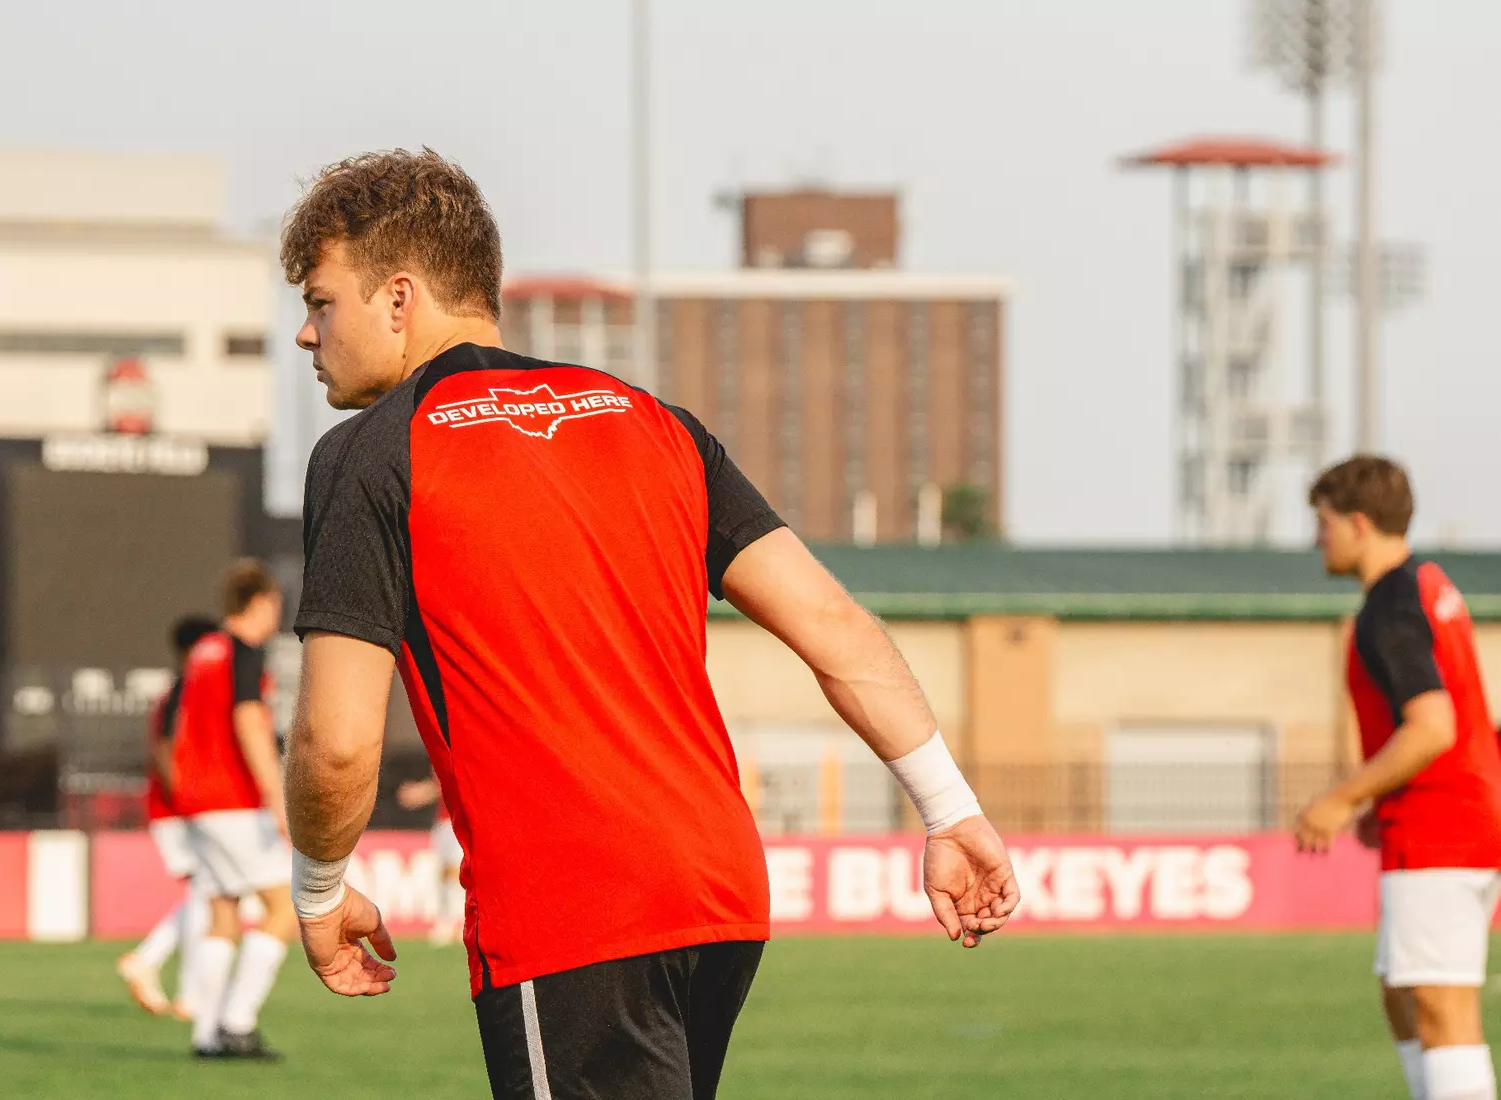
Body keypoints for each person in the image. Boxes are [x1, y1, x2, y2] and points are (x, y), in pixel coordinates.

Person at [279, 148, 1019, 1100]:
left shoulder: (371, 454)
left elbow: (335, 744)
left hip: (575, 912)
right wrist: (949, 809)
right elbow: (834, 622)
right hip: (719, 895)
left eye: (320, 299)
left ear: (398, 297)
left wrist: (317, 890)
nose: (306, 333)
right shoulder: (651, 420)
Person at [1296, 456, 1501, 1100]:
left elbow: (1432, 725)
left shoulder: (1389, 603)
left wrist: (1339, 797)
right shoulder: (1428, 583)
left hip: (1442, 826)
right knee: (1404, 994)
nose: (1317, 538)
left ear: (1358, 523)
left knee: (1442, 1009)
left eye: (1324, 522)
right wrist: (1376, 794)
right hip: (1452, 818)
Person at [172, 560, 296, 1060]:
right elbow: (249, 720)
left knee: (223, 913)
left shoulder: (203, 650)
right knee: (284, 906)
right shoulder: (243, 651)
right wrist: (276, 794)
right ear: (261, 602)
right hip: (232, 800)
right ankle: (238, 1021)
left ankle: (206, 1035)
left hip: (196, 801)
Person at [116, 613, 220, 1020]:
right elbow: (164, 748)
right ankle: (186, 992)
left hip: (180, 809)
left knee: (206, 893)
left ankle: (151, 962)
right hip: (179, 811)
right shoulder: (184, 690)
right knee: (206, 894)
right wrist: (187, 797)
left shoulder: (186, 689)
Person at [396, 772, 465, 947]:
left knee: (455, 870)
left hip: (460, 818)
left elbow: (450, 781)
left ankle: (458, 920)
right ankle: (447, 920)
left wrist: (420, 793)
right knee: (443, 872)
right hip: (443, 820)